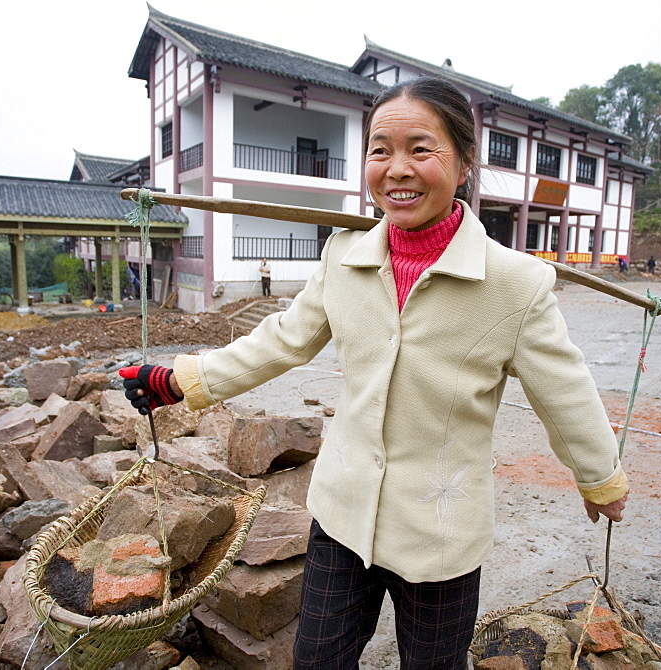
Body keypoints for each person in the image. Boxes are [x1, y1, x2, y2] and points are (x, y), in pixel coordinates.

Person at [119, 77, 628, 669]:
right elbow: (282, 340)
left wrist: (600, 476)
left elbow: (563, 389)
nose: (397, 168)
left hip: (441, 529)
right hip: (343, 514)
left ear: (463, 164)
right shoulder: (345, 256)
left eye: (420, 148)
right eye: (380, 150)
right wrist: (178, 381)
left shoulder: (515, 283)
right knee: (317, 661)